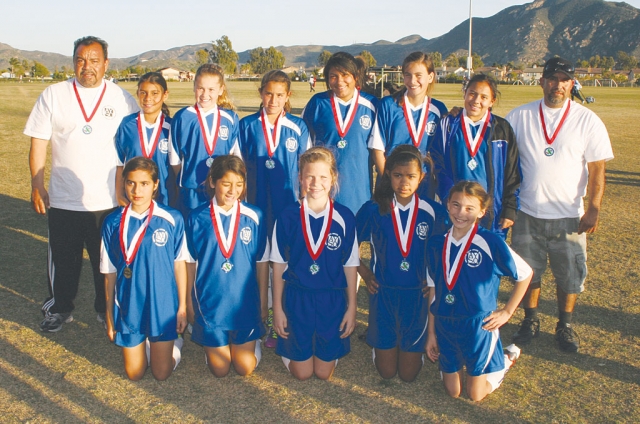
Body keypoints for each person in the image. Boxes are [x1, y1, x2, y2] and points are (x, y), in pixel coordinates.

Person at [25, 35, 139, 332]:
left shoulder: (122, 98)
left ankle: (105, 310)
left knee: (105, 263)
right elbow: (39, 142)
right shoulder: (54, 94)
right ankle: (59, 309)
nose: (86, 66)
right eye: (80, 60)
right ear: (74, 62)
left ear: (106, 64)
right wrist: (38, 184)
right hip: (64, 198)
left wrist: (125, 190)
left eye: (93, 60)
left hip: (107, 201)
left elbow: (129, 150)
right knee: (63, 263)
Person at [505, 57, 614, 353]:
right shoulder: (519, 116)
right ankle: (530, 320)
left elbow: (597, 169)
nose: (558, 85)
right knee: (530, 272)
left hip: (569, 215)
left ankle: (564, 325)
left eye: (564, 79)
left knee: (569, 275)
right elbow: (494, 137)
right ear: (541, 81)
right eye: (552, 79)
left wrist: (593, 208)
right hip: (528, 212)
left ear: (572, 83)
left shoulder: (587, 120)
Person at [425, 181, 533, 402]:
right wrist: (431, 333)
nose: (461, 213)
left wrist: (507, 311)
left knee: (475, 395)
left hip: (478, 325)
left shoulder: (490, 242)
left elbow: (526, 274)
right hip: (445, 323)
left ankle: (505, 359)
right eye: (455, 205)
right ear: (447, 204)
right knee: (453, 392)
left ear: (482, 211)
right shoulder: (437, 243)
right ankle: (462, 360)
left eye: (469, 208)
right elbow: (433, 290)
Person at [356, 145, 448, 382]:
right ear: (388, 175)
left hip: (417, 297)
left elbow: (447, 251)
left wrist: (435, 282)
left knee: (408, 375)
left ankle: (406, 345)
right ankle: (380, 344)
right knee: (387, 373)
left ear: (422, 178)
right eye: (397, 175)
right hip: (383, 294)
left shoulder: (433, 212)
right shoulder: (374, 209)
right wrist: (365, 273)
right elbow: (347, 246)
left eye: (411, 176)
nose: (404, 182)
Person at [271, 147, 359, 380]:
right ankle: (292, 347)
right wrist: (278, 309)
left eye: (322, 177)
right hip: (296, 298)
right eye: (309, 176)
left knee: (322, 373)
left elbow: (350, 266)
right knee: (302, 374)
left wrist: (351, 307)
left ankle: (323, 350)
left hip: (331, 299)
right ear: (300, 177)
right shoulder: (288, 215)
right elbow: (278, 264)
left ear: (333, 179)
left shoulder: (344, 217)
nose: (315, 183)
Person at [239, 70, 311, 348]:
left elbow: (305, 169)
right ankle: (261, 319)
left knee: (284, 264)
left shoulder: (298, 127)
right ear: (260, 93)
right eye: (268, 93)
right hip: (254, 208)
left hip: (287, 208)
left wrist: (303, 204)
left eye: (279, 94)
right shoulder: (246, 126)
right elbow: (237, 166)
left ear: (288, 96)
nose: (273, 99)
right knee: (259, 265)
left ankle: (286, 318)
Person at [101, 158, 188, 380]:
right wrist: (110, 315)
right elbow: (109, 273)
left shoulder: (172, 218)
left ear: (155, 185)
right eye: (131, 183)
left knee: (161, 373)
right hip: (130, 304)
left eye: (144, 183)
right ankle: (147, 340)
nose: (137, 190)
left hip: (162, 306)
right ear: (123, 183)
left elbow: (179, 265)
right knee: (135, 373)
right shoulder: (112, 222)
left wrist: (182, 308)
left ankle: (174, 342)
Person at [186, 155, 267, 377]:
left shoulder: (255, 216)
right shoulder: (196, 218)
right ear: (212, 182)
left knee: (244, 368)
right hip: (211, 304)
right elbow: (190, 264)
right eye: (226, 183)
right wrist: (188, 303)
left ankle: (252, 343)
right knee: (220, 370)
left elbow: (261, 263)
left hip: (244, 305)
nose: (233, 191)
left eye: (239, 185)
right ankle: (213, 347)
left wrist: (262, 302)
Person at [430, 73, 521, 238]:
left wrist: (509, 208)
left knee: (485, 257)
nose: (476, 100)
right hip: (455, 212)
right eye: (472, 93)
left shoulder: (502, 128)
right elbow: (437, 165)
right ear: (465, 93)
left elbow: (512, 172)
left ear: (492, 101)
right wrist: (449, 199)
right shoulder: (448, 124)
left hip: (491, 213)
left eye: (484, 97)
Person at [302, 51, 382, 215]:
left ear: (355, 75)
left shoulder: (372, 104)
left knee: (356, 236)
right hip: (322, 188)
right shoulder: (317, 103)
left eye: (345, 75)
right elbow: (303, 147)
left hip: (358, 188)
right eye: (333, 76)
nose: (339, 81)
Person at [169, 64, 241, 218]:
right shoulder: (182, 117)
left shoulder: (231, 118)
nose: (205, 94)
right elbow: (174, 158)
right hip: (191, 190)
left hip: (221, 189)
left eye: (211, 90)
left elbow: (236, 156)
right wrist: (188, 176)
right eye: (201, 88)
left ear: (220, 90)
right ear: (194, 86)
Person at [372, 52, 448, 190]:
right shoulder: (388, 105)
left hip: (424, 185)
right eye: (408, 75)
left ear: (430, 77)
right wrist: (389, 183)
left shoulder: (438, 109)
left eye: (419, 75)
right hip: (392, 183)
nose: (412, 81)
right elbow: (378, 149)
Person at [114, 72, 174, 207]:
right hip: (135, 198)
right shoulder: (127, 124)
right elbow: (119, 164)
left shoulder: (172, 126)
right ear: (138, 94)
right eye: (143, 93)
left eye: (154, 93)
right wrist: (119, 194)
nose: (148, 98)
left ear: (165, 95)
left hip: (165, 198)